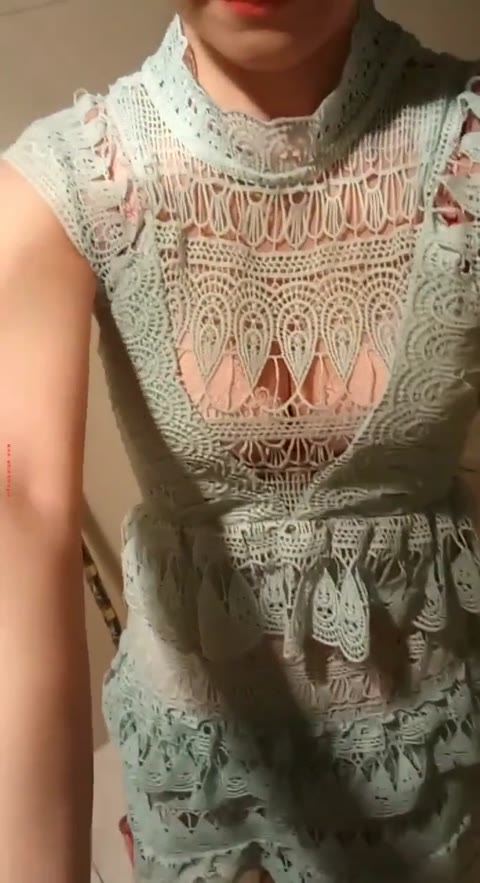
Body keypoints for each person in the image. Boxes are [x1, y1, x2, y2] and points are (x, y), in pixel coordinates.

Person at [2, 0, 480, 880]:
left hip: (434, 792)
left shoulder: (466, 149)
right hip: (201, 806)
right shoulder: (71, 180)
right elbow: (22, 507)